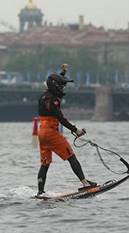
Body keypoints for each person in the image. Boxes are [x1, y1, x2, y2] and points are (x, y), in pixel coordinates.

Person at [36, 63, 96, 196]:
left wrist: (62, 73)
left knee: (45, 163)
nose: (63, 87)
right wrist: (76, 130)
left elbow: (53, 82)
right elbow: (61, 119)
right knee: (71, 156)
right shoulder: (53, 101)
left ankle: (40, 191)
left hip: (42, 133)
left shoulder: (44, 95)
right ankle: (85, 183)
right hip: (51, 133)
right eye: (62, 85)